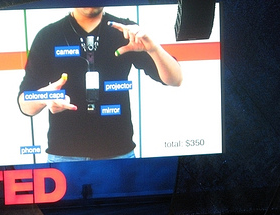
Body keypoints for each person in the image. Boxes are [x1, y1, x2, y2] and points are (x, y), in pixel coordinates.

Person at [18, 7, 182, 162]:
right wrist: (44, 98)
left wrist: (153, 49)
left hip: (119, 154)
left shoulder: (125, 32)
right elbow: (24, 104)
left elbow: (176, 79)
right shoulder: (49, 35)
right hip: (64, 156)